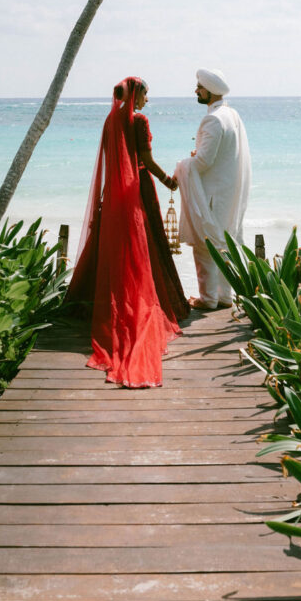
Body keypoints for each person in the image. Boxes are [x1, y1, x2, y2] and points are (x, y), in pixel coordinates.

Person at [65, 76, 189, 387]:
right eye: (146, 94)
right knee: (147, 245)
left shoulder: (111, 121)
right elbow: (145, 159)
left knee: (118, 247)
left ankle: (96, 301)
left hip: (116, 192)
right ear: (137, 94)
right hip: (139, 188)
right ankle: (161, 302)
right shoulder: (139, 121)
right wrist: (168, 181)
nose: (148, 100)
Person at [175, 68, 251, 310]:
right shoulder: (232, 114)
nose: (196, 90)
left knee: (204, 245)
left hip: (211, 193)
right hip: (228, 191)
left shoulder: (213, 119)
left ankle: (207, 299)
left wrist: (183, 164)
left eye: (199, 87)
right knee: (223, 244)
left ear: (210, 91)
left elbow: (204, 161)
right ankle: (224, 297)